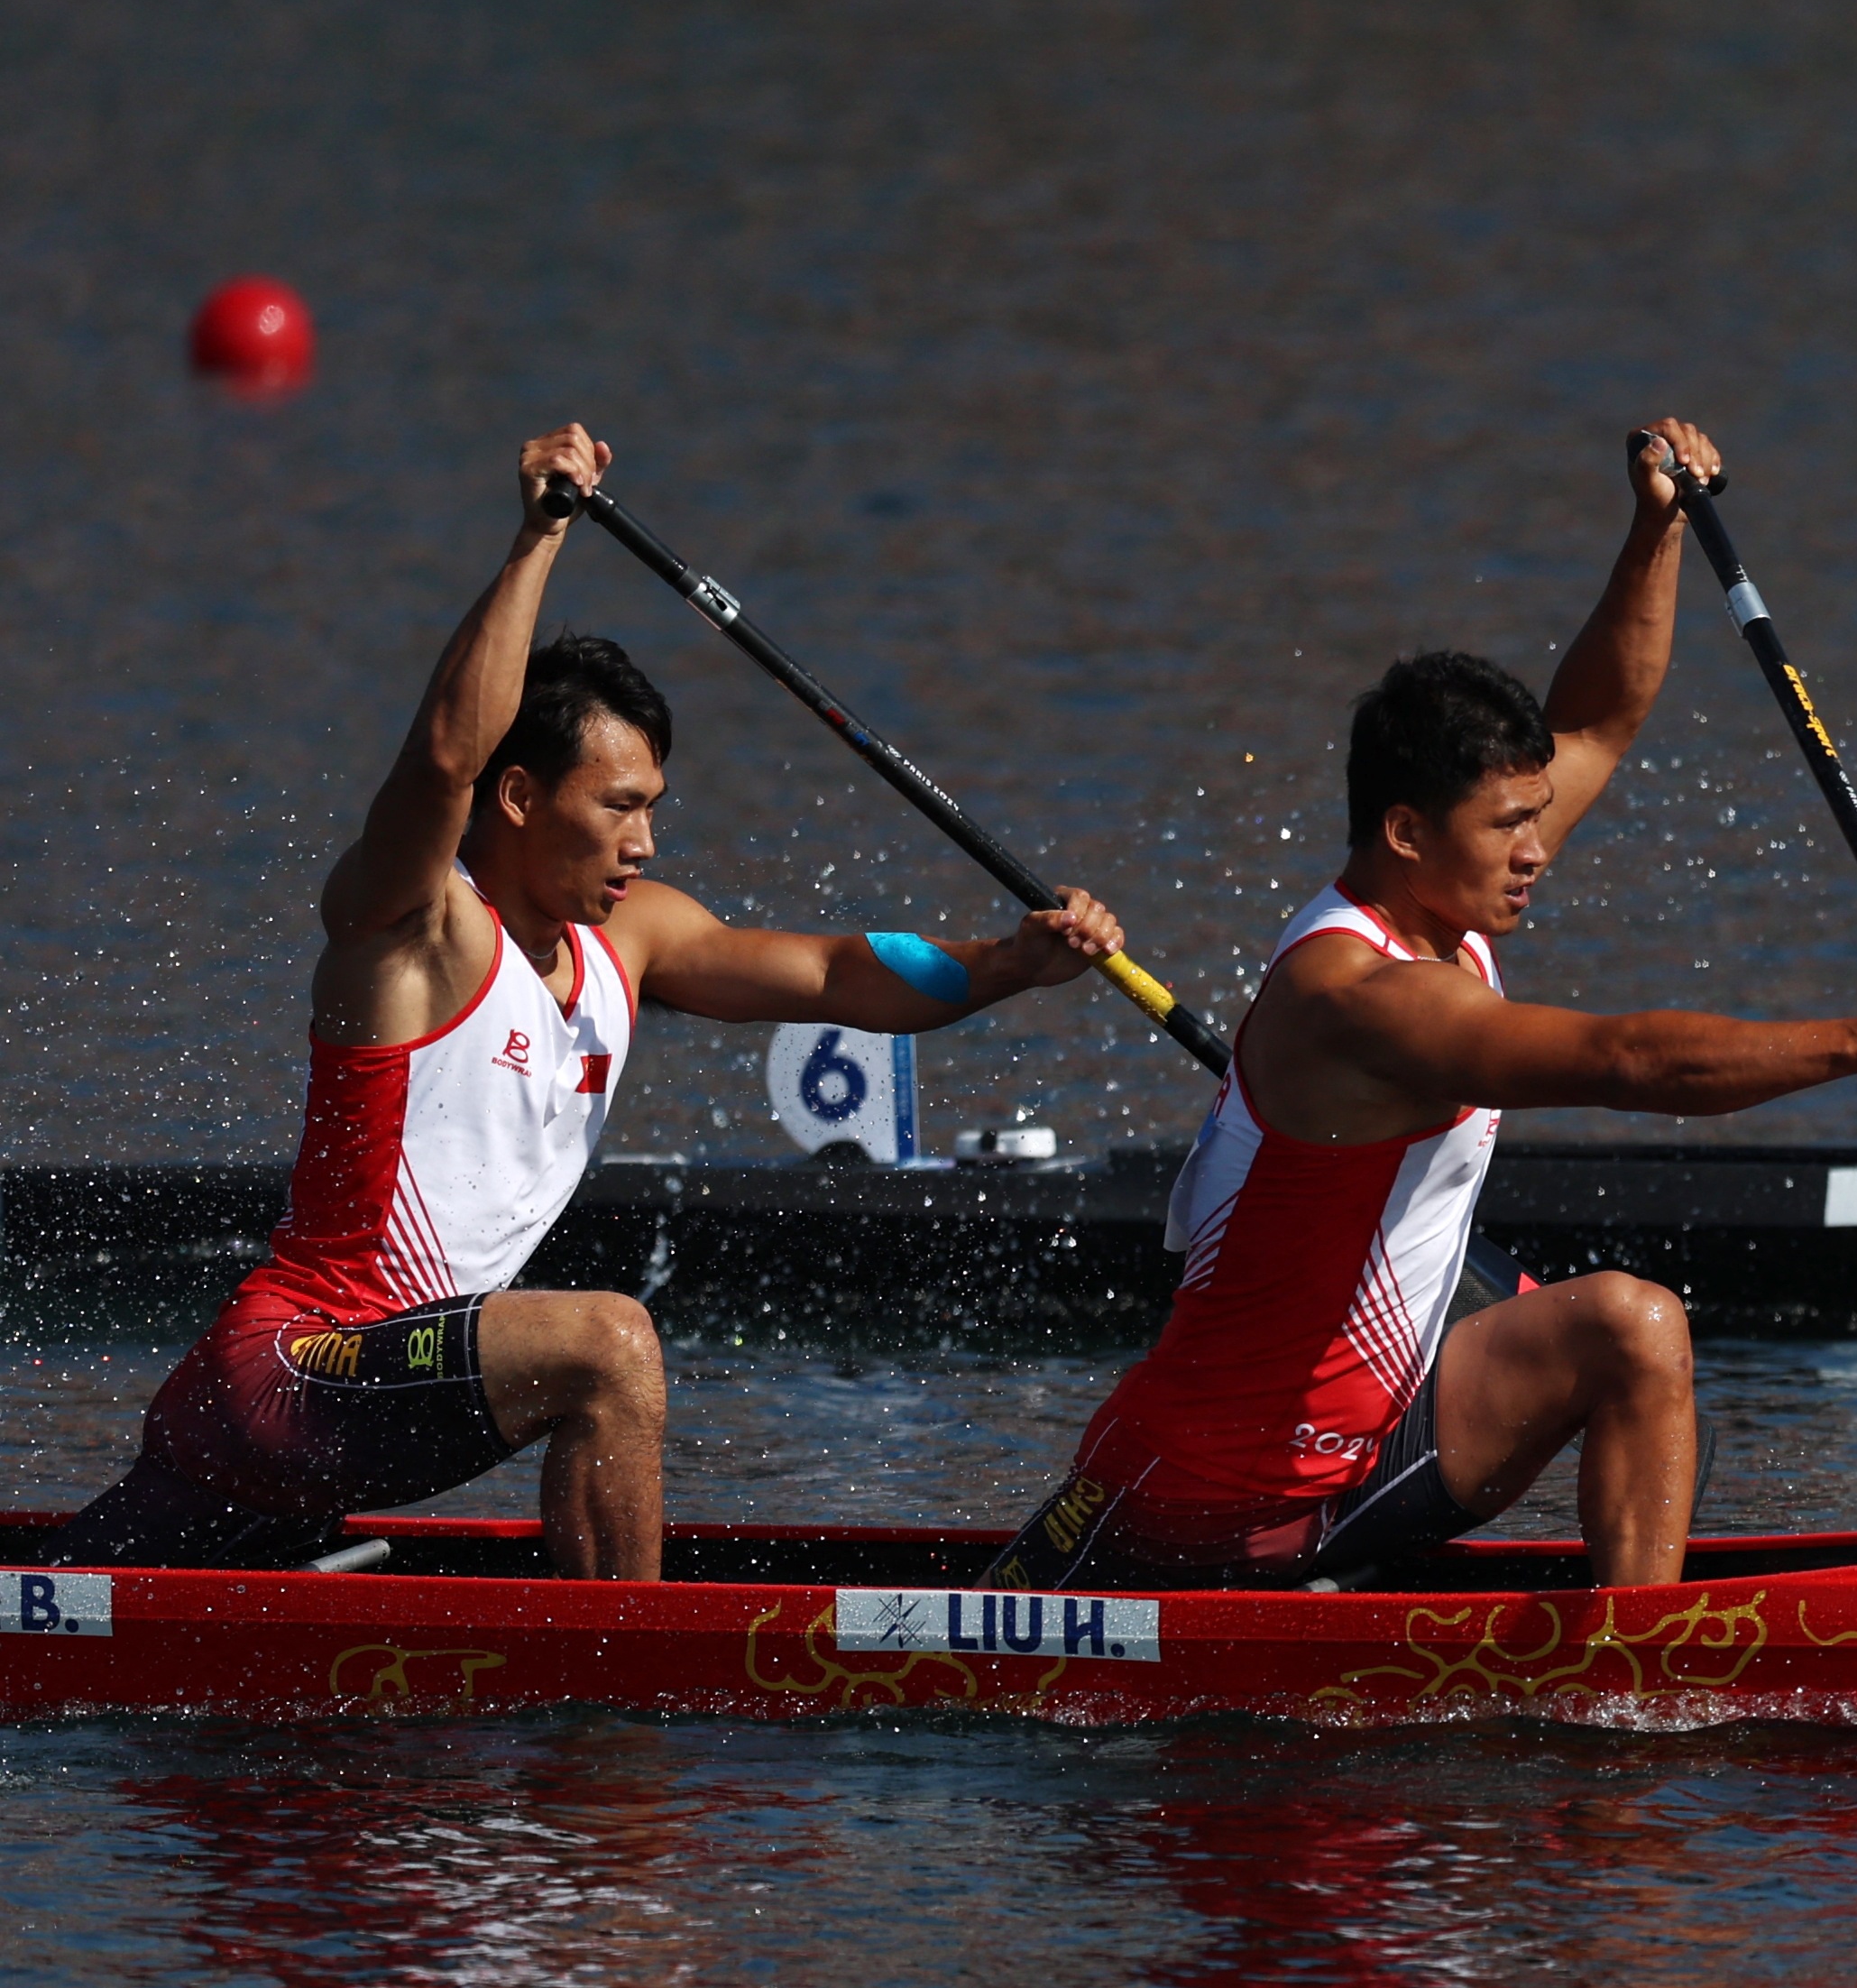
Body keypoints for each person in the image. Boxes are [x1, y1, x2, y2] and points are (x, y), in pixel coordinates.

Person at [51, 426, 1131, 1579]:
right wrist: (538, 539)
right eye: (618, 805)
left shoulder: (632, 935)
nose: (646, 841)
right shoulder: (416, 931)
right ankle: (626, 1692)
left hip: (365, 1409)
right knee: (608, 1344)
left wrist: (1010, 963)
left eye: (653, 806)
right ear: (518, 798)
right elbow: (437, 762)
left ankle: (595, 1653)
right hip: (297, 1375)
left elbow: (829, 976)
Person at [983, 420, 1857, 1597]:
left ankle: (1637, 1680)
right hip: (1204, 1496)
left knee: (1634, 1327)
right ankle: (1627, 1676)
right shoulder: (1353, 994)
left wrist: (1654, 525)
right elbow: (1622, 1063)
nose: (1537, 851)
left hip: (1363, 1451)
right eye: (1509, 828)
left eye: (1534, 819)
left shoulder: (1442, 897)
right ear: (1409, 831)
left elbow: (1603, 718)